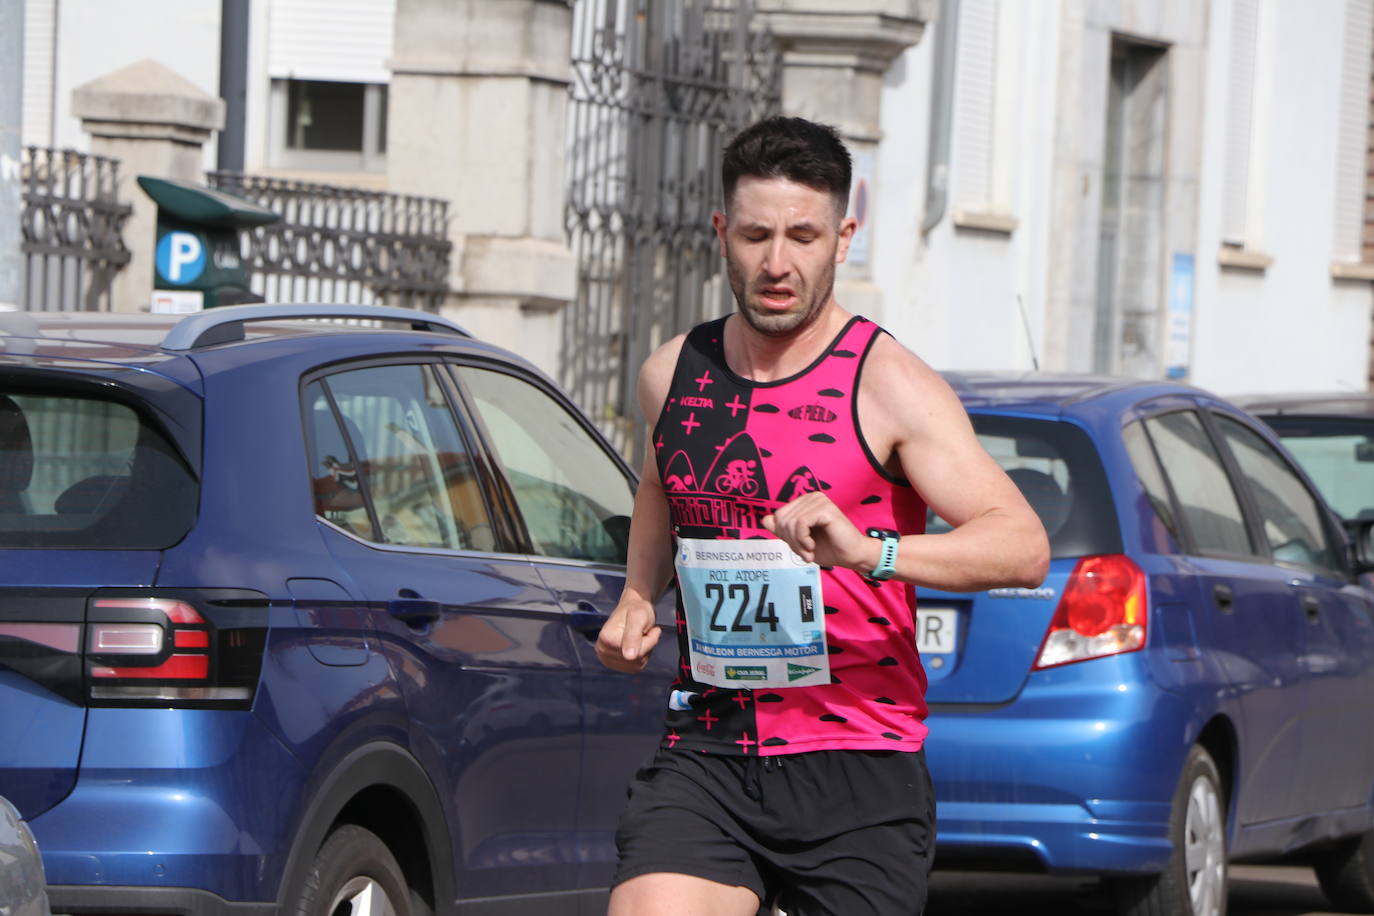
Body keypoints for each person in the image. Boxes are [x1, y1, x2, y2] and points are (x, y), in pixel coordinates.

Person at [596, 115, 1050, 916]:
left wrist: (869, 551)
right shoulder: (672, 373)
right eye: (755, 235)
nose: (777, 263)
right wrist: (639, 593)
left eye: (803, 236)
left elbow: (1020, 547)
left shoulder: (889, 383)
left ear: (844, 237)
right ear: (720, 233)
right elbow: (663, 488)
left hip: (857, 764)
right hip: (709, 747)